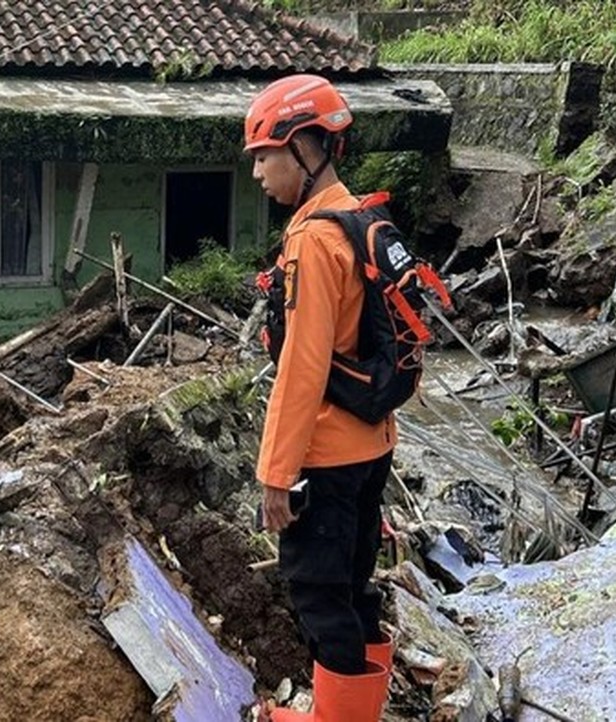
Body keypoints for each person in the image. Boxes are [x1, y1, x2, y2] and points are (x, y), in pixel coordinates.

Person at [245, 75, 395, 721]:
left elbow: (302, 370)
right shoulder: (360, 218)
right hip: (375, 443)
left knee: (317, 594)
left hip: (329, 457)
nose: (256, 172)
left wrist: (276, 475)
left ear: (305, 146)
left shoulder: (312, 240)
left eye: (264, 154)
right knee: (354, 584)